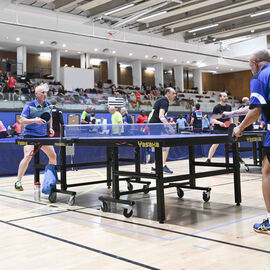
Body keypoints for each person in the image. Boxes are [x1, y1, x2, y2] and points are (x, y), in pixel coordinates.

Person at [233, 49, 270, 234]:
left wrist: (240, 128)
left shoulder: (259, 77)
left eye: (249, 65)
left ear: (255, 62)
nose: (250, 69)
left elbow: (255, 111)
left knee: (267, 172)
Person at [15, 84, 56, 191]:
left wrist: (50, 127)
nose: (45, 94)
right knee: (28, 155)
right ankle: (18, 181)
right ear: (36, 94)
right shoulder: (29, 105)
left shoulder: (49, 105)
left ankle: (51, 178)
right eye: (42, 92)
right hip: (30, 135)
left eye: (46, 92)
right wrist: (34, 120)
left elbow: (49, 116)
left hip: (43, 135)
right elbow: (21, 120)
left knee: (53, 156)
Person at [149, 87, 176, 174]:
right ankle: (163, 165)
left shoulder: (160, 100)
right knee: (165, 144)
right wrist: (170, 127)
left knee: (159, 146)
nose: (175, 95)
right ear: (167, 93)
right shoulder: (165, 101)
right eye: (173, 93)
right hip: (157, 125)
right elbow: (161, 116)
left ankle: (155, 166)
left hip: (154, 125)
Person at [206, 92, 232, 163]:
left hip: (227, 128)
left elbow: (230, 118)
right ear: (220, 98)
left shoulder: (229, 107)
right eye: (224, 96)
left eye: (226, 96)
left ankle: (238, 156)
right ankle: (209, 158)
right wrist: (220, 123)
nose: (225, 98)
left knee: (236, 140)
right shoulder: (217, 107)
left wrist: (231, 124)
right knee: (216, 143)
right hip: (218, 128)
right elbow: (212, 119)